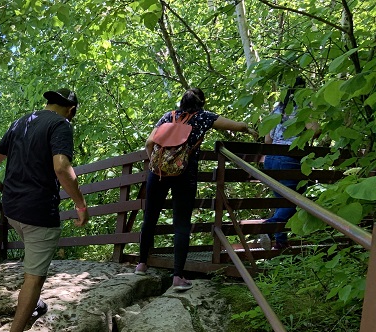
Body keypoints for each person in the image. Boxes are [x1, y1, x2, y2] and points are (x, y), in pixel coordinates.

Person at [0, 88, 89, 332]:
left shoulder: (21, 122)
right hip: (38, 211)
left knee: (33, 257)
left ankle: (33, 304)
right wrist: (80, 203)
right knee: (35, 275)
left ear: (49, 103)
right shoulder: (61, 125)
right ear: (71, 110)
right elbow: (62, 167)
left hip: (13, 208)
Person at [135, 88, 258, 291]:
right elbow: (234, 126)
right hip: (184, 174)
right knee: (181, 224)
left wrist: (156, 163)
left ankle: (141, 265)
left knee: (150, 217)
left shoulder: (167, 117)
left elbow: (149, 143)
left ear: (182, 102)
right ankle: (177, 276)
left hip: (157, 174)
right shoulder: (203, 117)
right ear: (201, 103)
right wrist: (248, 129)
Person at [258, 78, 319, 251]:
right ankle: (269, 227)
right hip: (290, 157)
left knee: (281, 201)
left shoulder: (277, 108)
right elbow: (315, 130)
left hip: (271, 159)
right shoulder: (304, 106)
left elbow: (267, 139)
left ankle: (281, 242)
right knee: (295, 201)